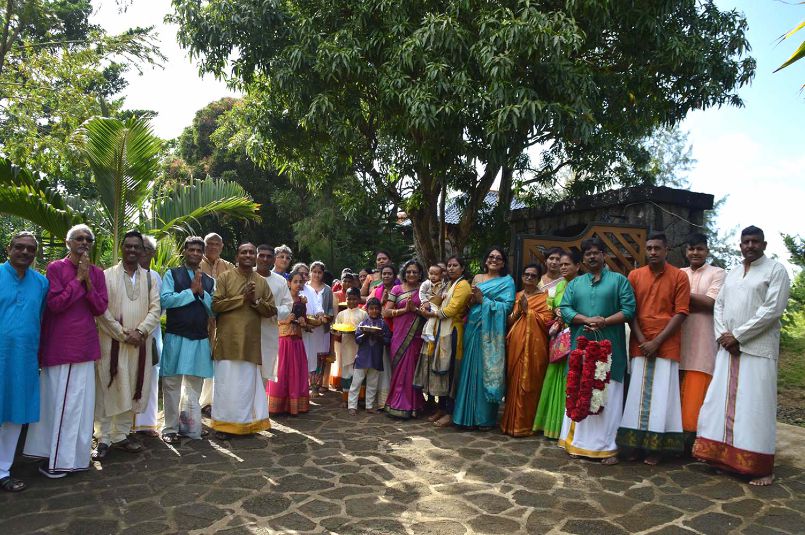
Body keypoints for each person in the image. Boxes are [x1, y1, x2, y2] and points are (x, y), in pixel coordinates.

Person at [693, 226, 790, 486]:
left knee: (755, 406)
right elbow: (719, 306)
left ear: (764, 244)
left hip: (757, 349)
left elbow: (772, 310)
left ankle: (760, 468)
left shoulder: (775, 270)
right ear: (740, 245)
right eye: (745, 241)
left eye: (755, 241)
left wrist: (739, 336)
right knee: (721, 401)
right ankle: (724, 459)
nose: (750, 245)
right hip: (728, 347)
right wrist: (724, 336)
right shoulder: (734, 272)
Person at [23, 225, 107, 478]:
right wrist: (78, 279)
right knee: (61, 406)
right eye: (79, 238)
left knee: (80, 408)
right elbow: (56, 304)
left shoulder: (97, 273)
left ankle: (75, 460)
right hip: (62, 346)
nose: (84, 242)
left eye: (88, 239)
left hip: (84, 346)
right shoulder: (56, 268)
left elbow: (100, 308)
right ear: (67, 242)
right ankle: (58, 461)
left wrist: (88, 280)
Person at [558, 237, 635, 464]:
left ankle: (608, 448)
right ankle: (577, 444)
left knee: (607, 396)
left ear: (604, 255)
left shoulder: (619, 281)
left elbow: (629, 310)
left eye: (596, 252)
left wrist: (605, 321)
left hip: (610, 350)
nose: (592, 256)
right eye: (588, 254)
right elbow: (565, 309)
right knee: (580, 391)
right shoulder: (576, 283)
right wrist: (586, 319)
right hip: (580, 347)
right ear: (583, 259)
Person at [617, 232, 690, 464]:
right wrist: (642, 341)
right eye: (649, 248)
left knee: (662, 396)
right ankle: (635, 446)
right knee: (637, 394)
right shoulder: (635, 275)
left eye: (657, 248)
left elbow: (681, 312)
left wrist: (657, 342)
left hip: (666, 344)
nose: (652, 252)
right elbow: (630, 311)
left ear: (666, 250)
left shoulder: (679, 276)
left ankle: (657, 449)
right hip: (640, 343)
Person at [94, 231, 161, 459]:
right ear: (122, 248)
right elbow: (101, 310)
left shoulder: (150, 277)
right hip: (112, 341)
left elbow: (156, 308)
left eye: (137, 247)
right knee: (109, 384)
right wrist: (122, 334)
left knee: (132, 385)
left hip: (139, 343)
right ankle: (102, 438)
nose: (132, 250)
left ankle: (120, 435)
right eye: (128, 246)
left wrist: (141, 331)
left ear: (143, 251)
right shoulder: (106, 275)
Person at [211, 243, 277, 439]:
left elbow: (271, 309)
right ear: (237, 255)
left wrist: (255, 302)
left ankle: (245, 424)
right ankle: (224, 426)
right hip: (227, 342)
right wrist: (242, 298)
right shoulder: (225, 277)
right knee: (226, 386)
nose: (248, 255)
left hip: (250, 343)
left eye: (251, 252)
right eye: (244, 252)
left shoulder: (261, 281)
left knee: (246, 387)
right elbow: (215, 305)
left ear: (255, 256)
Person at [0, 232, 49, 492]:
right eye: (19, 247)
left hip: (24, 358)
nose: (25, 252)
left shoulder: (41, 283)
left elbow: (40, 318)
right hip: (1, 356)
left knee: (15, 414)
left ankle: (3, 470)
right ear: (9, 248)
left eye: (31, 249)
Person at [159, 236, 215, 443]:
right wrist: (190, 292)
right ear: (185, 251)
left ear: (203, 253)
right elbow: (165, 300)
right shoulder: (172, 274)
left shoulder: (209, 281)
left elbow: (214, 310)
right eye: (191, 250)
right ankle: (170, 428)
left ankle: (191, 425)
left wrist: (201, 293)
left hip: (199, 338)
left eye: (199, 250)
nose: (195, 253)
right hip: (176, 336)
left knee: (194, 385)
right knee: (172, 384)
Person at [452, 247, 516, 429]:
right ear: (486, 260)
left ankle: (484, 419)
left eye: (498, 258)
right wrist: (473, 300)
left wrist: (483, 301)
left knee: (487, 370)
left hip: (491, 332)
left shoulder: (507, 281)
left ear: (503, 262)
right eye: (491, 257)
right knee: (469, 368)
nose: (494, 260)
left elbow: (508, 307)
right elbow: (469, 302)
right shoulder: (478, 278)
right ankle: (464, 417)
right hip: (473, 327)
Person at [679, 233, 725, 451]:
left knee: (699, 388)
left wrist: (680, 294)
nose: (695, 253)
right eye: (691, 249)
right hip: (678, 337)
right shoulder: (680, 273)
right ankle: (675, 440)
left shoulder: (717, 273)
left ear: (707, 250)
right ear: (685, 251)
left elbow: (711, 303)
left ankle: (698, 442)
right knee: (676, 387)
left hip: (704, 339)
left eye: (699, 249)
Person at [415, 255, 472, 428]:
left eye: (455, 265)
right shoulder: (447, 284)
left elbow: (451, 309)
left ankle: (450, 412)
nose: (452, 268)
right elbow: (436, 301)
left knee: (450, 370)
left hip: (452, 332)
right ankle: (441, 407)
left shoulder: (463, 285)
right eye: (449, 265)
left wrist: (432, 314)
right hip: (440, 330)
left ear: (462, 268)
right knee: (440, 370)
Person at [500, 263, 553, 437]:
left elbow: (547, 322)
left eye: (533, 276)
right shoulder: (516, 296)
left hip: (533, 348)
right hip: (514, 346)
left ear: (538, 279)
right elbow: (508, 322)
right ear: (522, 277)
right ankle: (510, 423)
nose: (529, 278)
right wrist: (519, 312)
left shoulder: (544, 298)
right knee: (513, 382)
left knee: (529, 383)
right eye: (526, 275)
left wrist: (528, 311)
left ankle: (526, 424)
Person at [533, 250, 581, 439]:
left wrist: (566, 314)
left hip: (575, 334)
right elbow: (550, 304)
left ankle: (567, 426)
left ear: (578, 266)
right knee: (554, 377)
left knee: (569, 377)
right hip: (560, 337)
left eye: (566, 264)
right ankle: (551, 425)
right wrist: (555, 313)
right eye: (560, 264)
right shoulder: (561, 285)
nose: (562, 267)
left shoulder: (581, 284)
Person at [383, 259, 427, 419]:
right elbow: (386, 312)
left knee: (412, 370)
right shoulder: (396, 288)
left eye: (415, 271)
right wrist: (404, 310)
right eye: (408, 271)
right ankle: (396, 404)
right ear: (404, 273)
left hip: (416, 335)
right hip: (399, 335)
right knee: (400, 370)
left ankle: (414, 405)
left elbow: (429, 312)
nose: (411, 274)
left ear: (420, 273)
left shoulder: (424, 290)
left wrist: (414, 310)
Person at [198, 232, 235, 413]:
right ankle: (195, 402)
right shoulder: (196, 264)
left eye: (216, 244)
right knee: (200, 359)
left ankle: (210, 401)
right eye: (209, 244)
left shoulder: (228, 267)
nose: (213, 247)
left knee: (216, 360)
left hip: (222, 322)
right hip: (198, 321)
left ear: (221, 247)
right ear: (204, 246)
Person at [268, 267, 311, 415]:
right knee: (281, 372)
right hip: (283, 340)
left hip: (297, 341)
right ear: (288, 283)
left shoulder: (302, 301)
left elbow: (304, 322)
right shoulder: (282, 299)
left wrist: (303, 323)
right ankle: (277, 406)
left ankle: (295, 405)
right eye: (295, 281)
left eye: (301, 282)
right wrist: (285, 320)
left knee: (296, 373)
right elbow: (271, 319)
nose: (298, 284)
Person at [132, 235, 163, 436]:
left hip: (150, 333)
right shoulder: (121, 274)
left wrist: (143, 328)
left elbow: (158, 308)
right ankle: (125, 425)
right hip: (126, 333)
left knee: (149, 377)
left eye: (144, 249)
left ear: (151, 253)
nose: (139, 253)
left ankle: (146, 423)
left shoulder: (156, 277)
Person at [256, 244, 293, 385]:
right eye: (261, 255)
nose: (265, 259)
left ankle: (260, 407)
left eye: (268, 256)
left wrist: (274, 310)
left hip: (268, 332)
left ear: (273, 260)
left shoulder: (280, 281)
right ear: (256, 257)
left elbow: (288, 306)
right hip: (245, 332)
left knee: (263, 375)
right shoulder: (246, 274)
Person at [349, 297, 391, 415]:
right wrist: (365, 335)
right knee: (356, 382)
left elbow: (388, 341)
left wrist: (379, 336)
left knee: (372, 384)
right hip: (362, 358)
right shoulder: (362, 324)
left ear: (380, 310)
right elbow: (357, 340)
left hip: (376, 358)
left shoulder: (383, 324)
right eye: (371, 309)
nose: (374, 311)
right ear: (367, 310)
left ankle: (369, 406)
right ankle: (352, 406)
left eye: (376, 309)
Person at [332, 288, 369, 408]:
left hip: (359, 347)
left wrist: (359, 332)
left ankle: (360, 397)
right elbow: (337, 330)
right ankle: (346, 398)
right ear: (345, 299)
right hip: (346, 347)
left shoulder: (363, 313)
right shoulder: (341, 314)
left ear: (359, 299)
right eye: (349, 299)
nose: (352, 301)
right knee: (347, 372)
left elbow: (367, 329)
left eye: (354, 299)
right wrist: (335, 331)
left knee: (359, 373)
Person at [307, 261, 335, 395]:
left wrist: (327, 317)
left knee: (321, 357)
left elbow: (330, 308)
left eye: (319, 272)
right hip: (308, 328)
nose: (316, 275)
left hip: (322, 328)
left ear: (323, 274)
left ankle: (316, 386)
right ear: (310, 272)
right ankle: (308, 383)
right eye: (314, 272)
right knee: (308, 356)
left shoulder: (328, 289)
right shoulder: (304, 287)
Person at [419, 264, 445, 343]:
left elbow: (444, 291)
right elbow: (421, 293)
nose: (433, 276)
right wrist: (424, 301)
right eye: (431, 274)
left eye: (436, 274)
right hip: (429, 302)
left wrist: (444, 293)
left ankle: (424, 333)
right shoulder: (426, 283)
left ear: (440, 275)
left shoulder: (442, 284)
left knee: (431, 318)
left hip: (436, 303)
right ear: (428, 273)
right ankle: (429, 332)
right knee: (434, 315)